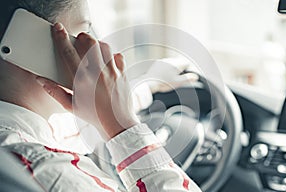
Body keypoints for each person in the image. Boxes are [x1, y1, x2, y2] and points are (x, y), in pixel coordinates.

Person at [0, 0, 201, 191]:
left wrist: (146, 87)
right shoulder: (49, 173)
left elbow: (71, 129)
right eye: (82, 34)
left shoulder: (17, 137)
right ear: (26, 42)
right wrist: (124, 125)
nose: (95, 48)